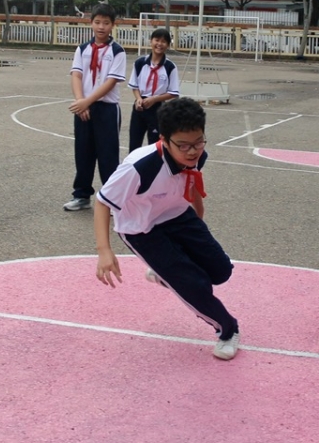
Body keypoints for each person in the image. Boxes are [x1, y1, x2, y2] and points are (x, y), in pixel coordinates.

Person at [94, 97, 240, 360]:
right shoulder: (139, 167)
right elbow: (102, 202)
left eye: (198, 142)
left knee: (221, 271)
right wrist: (104, 251)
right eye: (183, 145)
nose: (192, 151)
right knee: (193, 284)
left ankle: (164, 275)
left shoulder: (196, 153)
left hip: (177, 213)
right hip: (142, 228)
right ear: (164, 138)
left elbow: (193, 181)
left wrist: (199, 220)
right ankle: (227, 329)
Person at [64, 3, 127, 211]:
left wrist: (86, 102)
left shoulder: (117, 51)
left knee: (107, 154)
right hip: (83, 107)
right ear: (91, 23)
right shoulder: (82, 49)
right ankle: (81, 195)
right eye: (97, 22)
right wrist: (80, 102)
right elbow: (76, 75)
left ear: (112, 25)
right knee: (83, 152)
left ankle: (111, 199)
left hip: (106, 109)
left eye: (106, 23)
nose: (101, 27)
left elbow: (110, 82)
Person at [128, 27, 180, 149]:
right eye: (157, 40)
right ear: (151, 41)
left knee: (155, 146)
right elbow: (134, 85)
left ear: (167, 45)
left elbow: (173, 92)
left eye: (163, 41)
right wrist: (138, 98)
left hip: (157, 108)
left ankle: (154, 168)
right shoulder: (140, 63)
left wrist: (154, 99)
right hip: (139, 106)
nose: (159, 44)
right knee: (134, 144)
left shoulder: (170, 67)